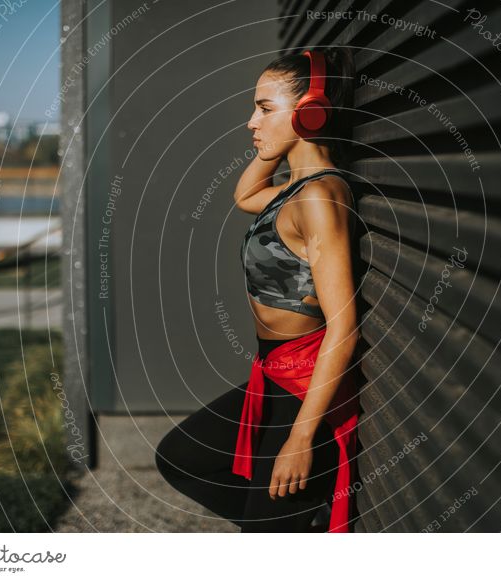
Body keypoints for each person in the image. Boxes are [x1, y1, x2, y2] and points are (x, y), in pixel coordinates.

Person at [155, 47, 361, 533]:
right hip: (271, 374)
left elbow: (345, 326)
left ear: (310, 111)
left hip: (303, 388)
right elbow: (245, 196)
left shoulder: (318, 198)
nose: (251, 121)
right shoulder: (294, 188)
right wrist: (272, 142)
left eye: (265, 108)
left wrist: (300, 438)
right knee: (180, 457)